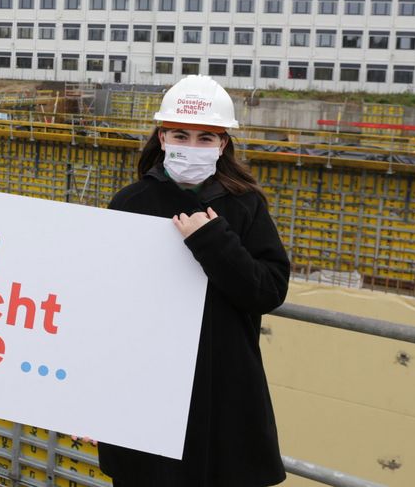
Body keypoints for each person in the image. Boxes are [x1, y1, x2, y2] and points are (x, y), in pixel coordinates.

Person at [97, 74, 290, 487]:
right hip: (146, 388)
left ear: (223, 145)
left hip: (222, 387)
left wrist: (212, 240)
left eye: (206, 138)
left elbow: (268, 290)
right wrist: (93, 396)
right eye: (180, 135)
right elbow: (104, 307)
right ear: (162, 137)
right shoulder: (130, 204)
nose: (191, 146)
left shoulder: (245, 205)